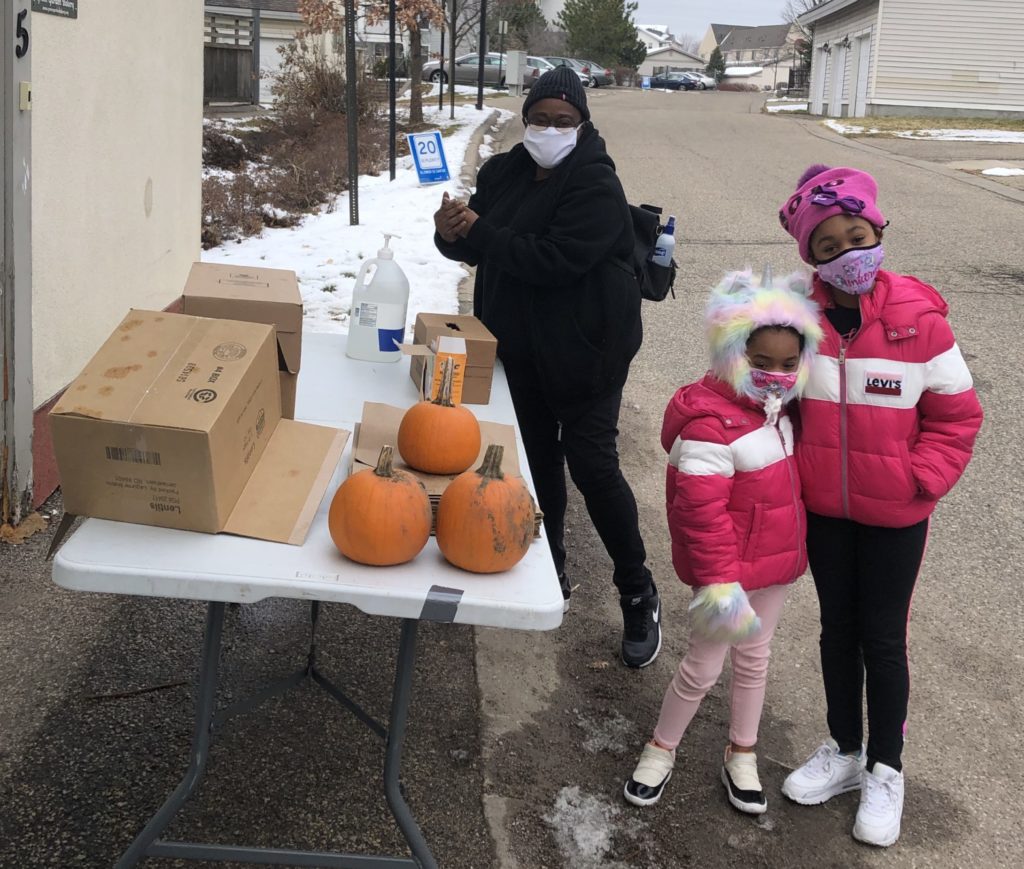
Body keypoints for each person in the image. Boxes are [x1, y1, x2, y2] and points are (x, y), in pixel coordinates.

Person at [776, 165, 983, 846]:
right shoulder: (795, 321)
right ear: (812, 256)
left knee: (883, 639)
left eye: (855, 236)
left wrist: (916, 478)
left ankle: (886, 768)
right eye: (828, 246)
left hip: (896, 515)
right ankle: (843, 748)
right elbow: (763, 398)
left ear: (877, 230)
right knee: (837, 630)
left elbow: (957, 417)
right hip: (825, 512)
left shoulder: (919, 321)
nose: (846, 254)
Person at [432, 66, 661, 668]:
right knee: (536, 463)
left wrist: (482, 231)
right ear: (526, 119)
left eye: (564, 121)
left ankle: (637, 590)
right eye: (539, 118)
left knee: (593, 466)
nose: (550, 129)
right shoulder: (504, 171)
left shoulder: (595, 183)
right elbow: (473, 243)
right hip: (520, 349)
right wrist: (451, 233)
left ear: (582, 125)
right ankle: (551, 565)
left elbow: (555, 260)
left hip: (589, 351)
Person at [624, 269, 823, 814]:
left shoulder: (787, 414)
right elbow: (700, 515)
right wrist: (719, 584)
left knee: (755, 659)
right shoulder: (710, 425)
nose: (777, 375)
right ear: (733, 354)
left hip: (775, 567)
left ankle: (743, 752)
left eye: (789, 364)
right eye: (762, 364)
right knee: (703, 667)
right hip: (725, 575)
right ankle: (661, 748)